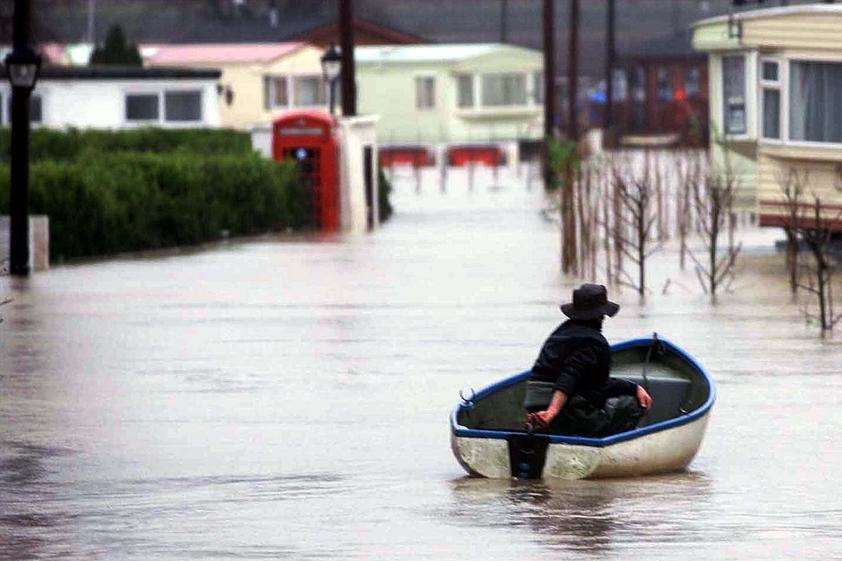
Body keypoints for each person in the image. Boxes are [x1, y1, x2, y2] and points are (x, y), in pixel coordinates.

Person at [524, 283, 652, 437]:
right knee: (631, 404)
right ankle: (604, 442)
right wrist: (552, 411)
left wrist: (632, 387)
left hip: (533, 405)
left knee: (605, 398)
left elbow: (594, 385)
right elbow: (569, 376)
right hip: (562, 412)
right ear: (602, 315)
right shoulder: (593, 342)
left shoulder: (560, 333)